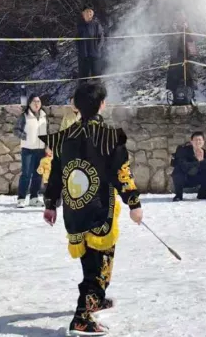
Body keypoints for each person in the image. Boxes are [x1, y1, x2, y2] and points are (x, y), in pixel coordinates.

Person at [41, 83, 143, 336]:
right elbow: (122, 172)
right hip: (99, 210)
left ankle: (96, 298)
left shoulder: (64, 137)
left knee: (91, 260)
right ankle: (82, 317)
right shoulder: (109, 137)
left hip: (75, 210)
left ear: (76, 106)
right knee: (99, 264)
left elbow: (55, 174)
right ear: (102, 105)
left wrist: (50, 204)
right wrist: (133, 203)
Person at [14, 94, 48, 208]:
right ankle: (21, 198)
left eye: (38, 101)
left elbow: (47, 132)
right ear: (29, 103)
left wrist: (47, 145)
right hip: (28, 150)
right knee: (26, 175)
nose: (37, 104)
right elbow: (16, 130)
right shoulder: (24, 116)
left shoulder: (44, 116)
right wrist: (25, 137)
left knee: (38, 175)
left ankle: (34, 198)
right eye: (34, 101)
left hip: (40, 150)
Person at [171, 132, 206, 202]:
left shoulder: (204, 153)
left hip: (196, 178)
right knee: (177, 170)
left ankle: (202, 194)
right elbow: (183, 165)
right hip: (184, 178)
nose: (198, 142)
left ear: (203, 142)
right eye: (195, 140)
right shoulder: (182, 150)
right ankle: (178, 195)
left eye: (200, 140)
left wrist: (202, 160)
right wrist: (198, 162)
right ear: (191, 142)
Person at [166, 11, 196, 97]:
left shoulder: (189, 27)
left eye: (182, 17)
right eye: (178, 17)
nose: (180, 19)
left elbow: (194, 39)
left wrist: (187, 29)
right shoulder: (172, 28)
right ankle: (175, 97)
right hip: (176, 57)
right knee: (174, 78)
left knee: (188, 77)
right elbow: (169, 41)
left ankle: (189, 96)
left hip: (187, 56)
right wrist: (176, 34)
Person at [76, 6, 105, 84]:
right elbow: (76, 40)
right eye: (87, 12)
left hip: (95, 55)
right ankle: (83, 90)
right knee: (83, 78)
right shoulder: (79, 26)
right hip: (83, 56)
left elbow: (101, 38)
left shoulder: (97, 25)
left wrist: (97, 49)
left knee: (96, 77)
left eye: (90, 12)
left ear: (92, 14)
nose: (89, 14)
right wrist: (80, 51)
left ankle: (98, 90)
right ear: (83, 14)